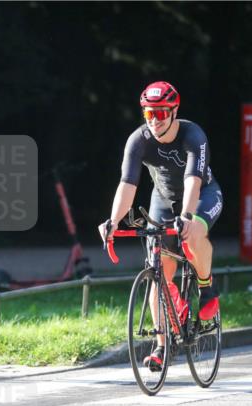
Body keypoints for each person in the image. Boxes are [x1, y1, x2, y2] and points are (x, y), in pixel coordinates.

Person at [99, 81, 223, 371]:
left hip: (202, 195)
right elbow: (127, 184)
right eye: (148, 114)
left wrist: (188, 216)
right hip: (163, 199)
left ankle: (206, 286)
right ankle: (162, 346)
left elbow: (193, 180)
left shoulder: (193, 135)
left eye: (161, 113)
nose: (154, 120)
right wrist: (113, 221)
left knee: (193, 233)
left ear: (174, 111)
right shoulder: (138, 140)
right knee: (158, 271)